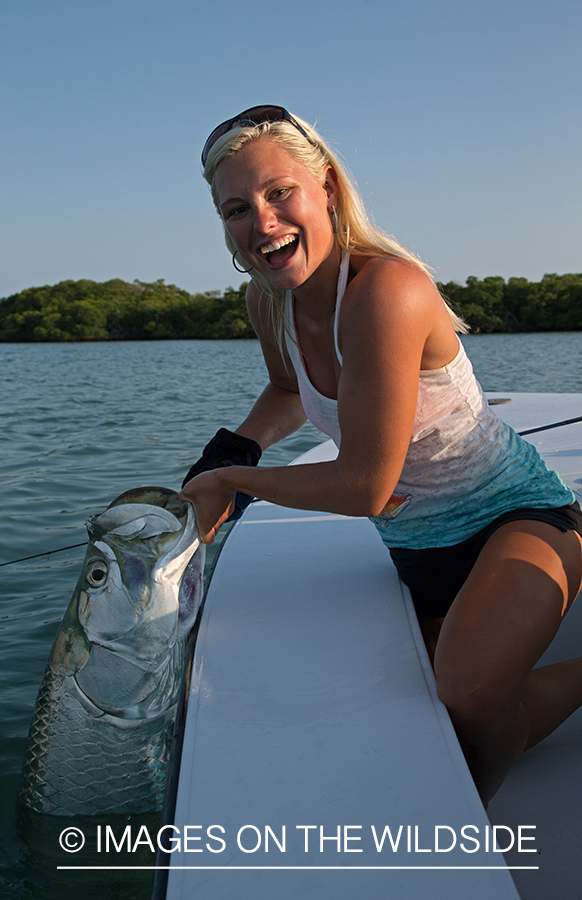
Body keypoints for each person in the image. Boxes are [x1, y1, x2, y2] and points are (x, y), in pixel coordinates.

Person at [180, 105, 582, 806]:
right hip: (418, 547)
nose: (263, 225)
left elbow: (366, 486)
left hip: (518, 516)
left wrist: (233, 481)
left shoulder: (386, 290)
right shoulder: (266, 300)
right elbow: (285, 388)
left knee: (463, 696)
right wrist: (236, 444)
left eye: (280, 193)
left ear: (327, 185)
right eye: (238, 209)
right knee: (451, 732)